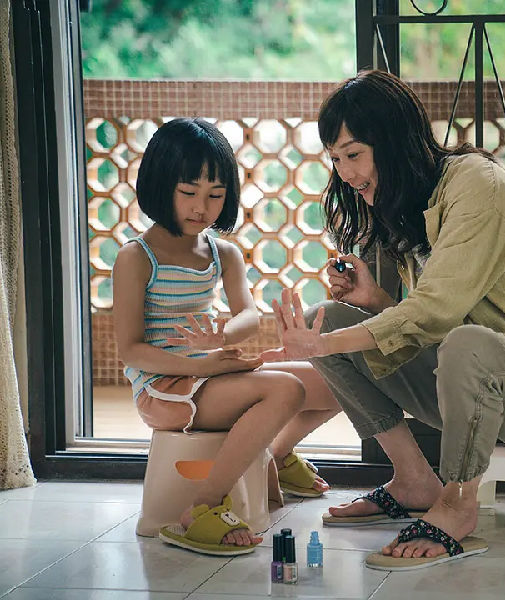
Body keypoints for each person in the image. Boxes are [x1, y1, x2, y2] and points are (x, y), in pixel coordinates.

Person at [260, 70, 505, 570]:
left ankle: (458, 504)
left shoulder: (476, 185)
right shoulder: (412, 203)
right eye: (335, 159)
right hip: (472, 384)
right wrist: (377, 302)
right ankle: (414, 480)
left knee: (461, 344)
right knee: (327, 318)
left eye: (354, 154)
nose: (346, 174)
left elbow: (439, 312)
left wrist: (322, 348)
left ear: (394, 141)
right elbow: (435, 320)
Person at [112, 118, 340, 556]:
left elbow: (247, 316)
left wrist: (222, 337)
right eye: (189, 192)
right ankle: (202, 508)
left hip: (211, 372)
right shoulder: (136, 257)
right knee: (287, 390)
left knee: (340, 378)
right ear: (161, 185)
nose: (202, 207)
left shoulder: (223, 253)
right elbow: (131, 350)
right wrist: (199, 364)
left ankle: (278, 454)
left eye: (215, 195)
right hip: (163, 389)